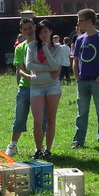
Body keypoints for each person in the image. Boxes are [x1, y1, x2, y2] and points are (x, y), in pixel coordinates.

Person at [71, 8, 99, 149]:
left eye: (80, 21)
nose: (78, 24)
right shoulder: (79, 39)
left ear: (89, 21)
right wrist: (77, 77)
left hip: (97, 82)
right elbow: (75, 60)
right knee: (81, 113)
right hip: (82, 82)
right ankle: (79, 140)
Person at [25, 19, 62, 159]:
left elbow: (55, 66)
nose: (43, 35)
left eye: (46, 31)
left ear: (51, 32)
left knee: (51, 118)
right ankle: (38, 149)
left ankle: (48, 149)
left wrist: (46, 49)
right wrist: (48, 69)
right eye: (40, 32)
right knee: (37, 120)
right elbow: (29, 65)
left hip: (53, 86)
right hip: (36, 86)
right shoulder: (32, 46)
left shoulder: (58, 48)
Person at [4, 18, 37, 157]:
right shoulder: (20, 47)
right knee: (19, 117)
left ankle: (39, 146)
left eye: (30, 28)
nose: (28, 31)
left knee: (39, 118)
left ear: (34, 27)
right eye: (25, 29)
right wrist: (27, 77)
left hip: (40, 87)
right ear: (21, 31)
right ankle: (12, 145)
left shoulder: (42, 44)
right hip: (25, 86)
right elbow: (20, 69)